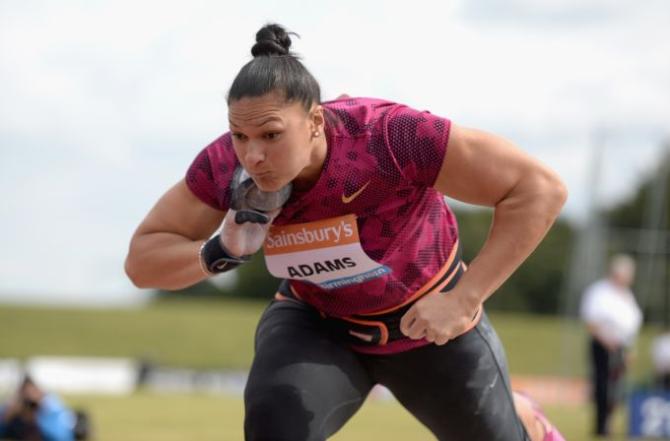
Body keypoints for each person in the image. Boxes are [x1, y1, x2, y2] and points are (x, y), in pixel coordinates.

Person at [125, 23, 568, 441]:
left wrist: (465, 298)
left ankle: (523, 415)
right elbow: (142, 261)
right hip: (319, 324)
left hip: (429, 323)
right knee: (274, 421)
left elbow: (538, 190)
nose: (253, 155)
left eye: (271, 135)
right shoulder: (225, 166)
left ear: (316, 122)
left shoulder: (390, 136)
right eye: (239, 135)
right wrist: (218, 251)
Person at [580, 254, 643, 437]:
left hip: (622, 347)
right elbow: (591, 320)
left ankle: (610, 422)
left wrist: (630, 349)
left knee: (617, 387)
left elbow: (632, 325)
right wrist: (608, 341)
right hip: (604, 345)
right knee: (603, 386)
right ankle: (601, 425)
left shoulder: (627, 295)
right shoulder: (599, 291)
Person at [0, 376, 77, 441]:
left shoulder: (53, 409)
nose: (29, 408)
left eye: (32, 405)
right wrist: (6, 416)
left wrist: (43, 415)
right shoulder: (12, 411)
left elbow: (63, 437)